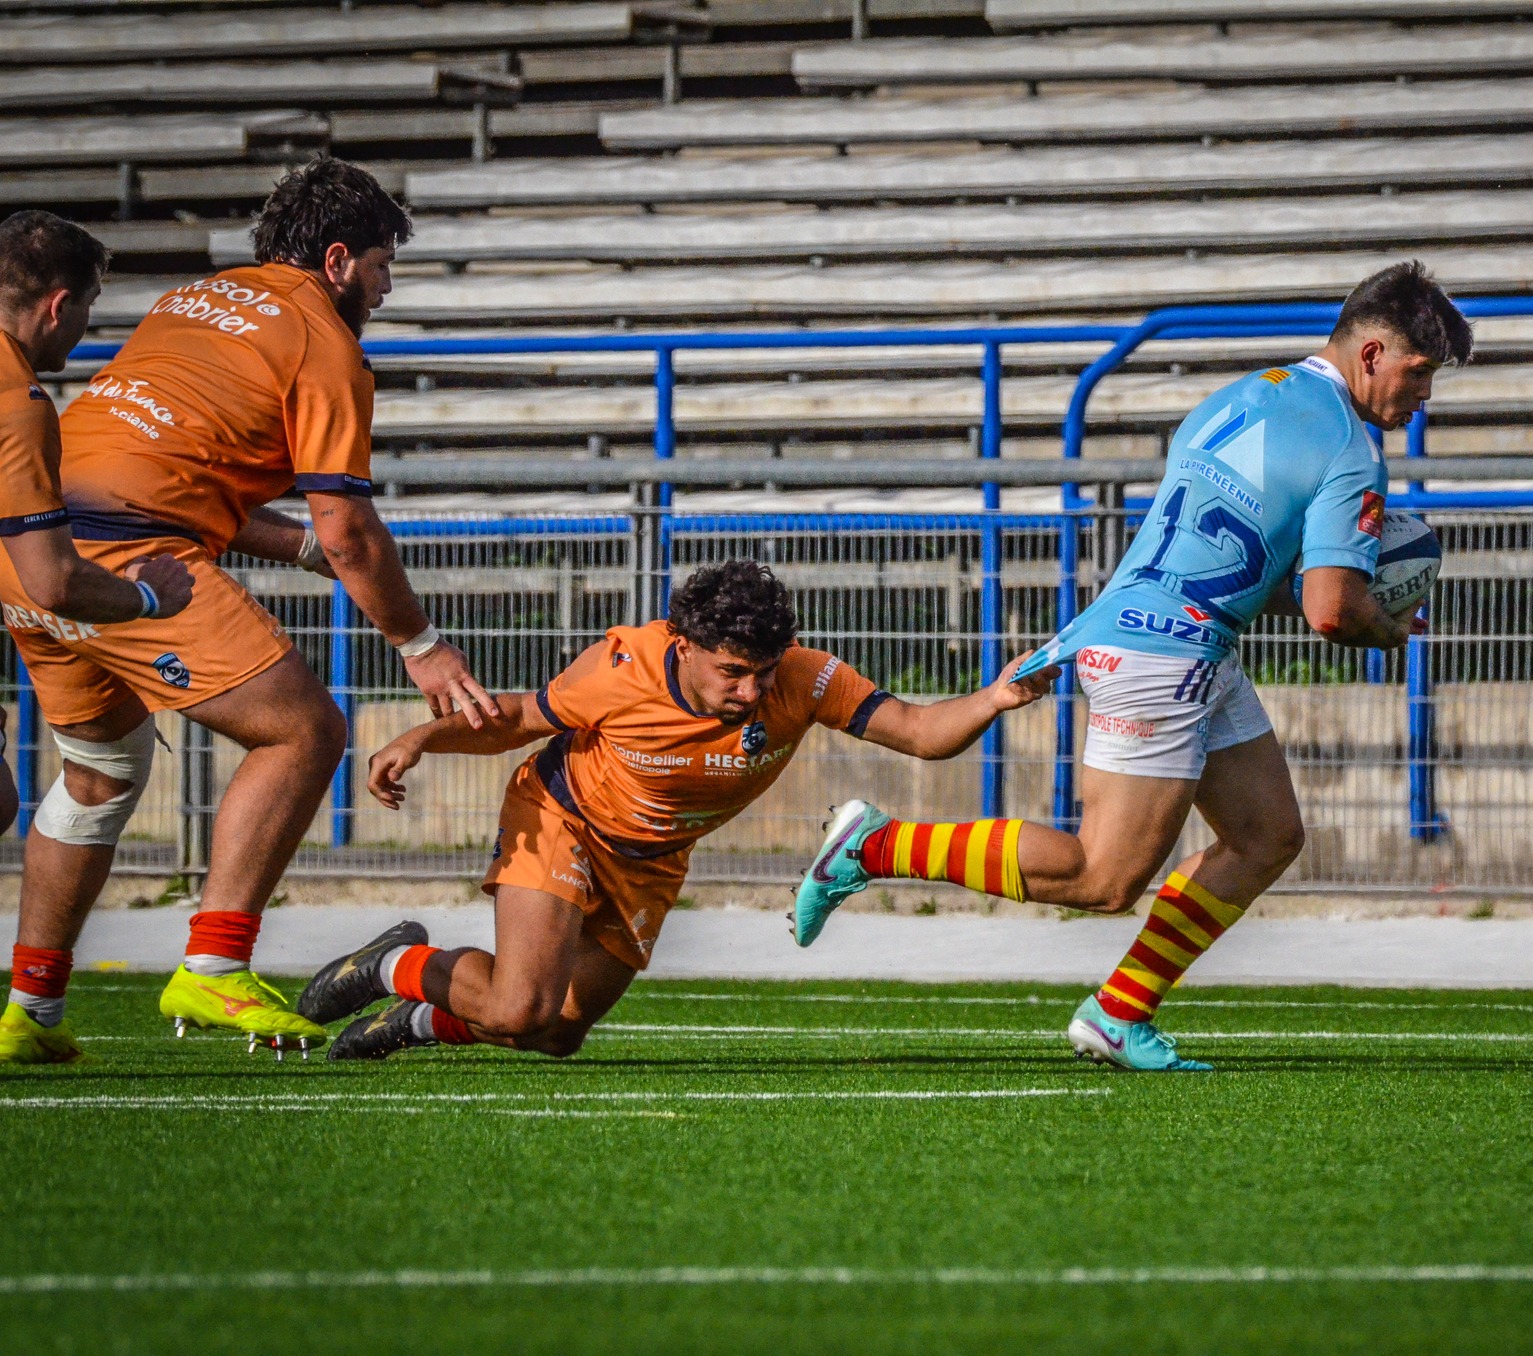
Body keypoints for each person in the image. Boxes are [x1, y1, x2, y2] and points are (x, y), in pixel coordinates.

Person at [793, 260, 1471, 1072]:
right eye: (1419, 372)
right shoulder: (1351, 448)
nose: (1422, 396)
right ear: (1370, 354)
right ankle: (873, 847)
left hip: (1167, 631)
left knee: (1266, 835)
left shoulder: (1247, 393)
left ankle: (1118, 1015)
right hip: (1170, 652)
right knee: (1102, 877)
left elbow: (1243, 562)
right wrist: (1384, 625)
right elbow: (1330, 608)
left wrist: (1342, 592)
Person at [0, 159, 496, 1061]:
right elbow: (346, 526)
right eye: (385, 266)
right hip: (131, 554)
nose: (386, 291)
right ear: (340, 260)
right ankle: (216, 969)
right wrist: (419, 644)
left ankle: (28, 1015)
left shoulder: (193, 300)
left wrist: (300, 549)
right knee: (304, 732)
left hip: (37, 552)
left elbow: (182, 470)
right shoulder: (325, 343)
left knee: (98, 777)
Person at [294, 560, 1054, 1060]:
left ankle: (415, 1018)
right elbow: (524, 718)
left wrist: (993, 697)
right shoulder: (621, 667)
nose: (751, 692)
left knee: (556, 1033)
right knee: (522, 1007)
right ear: (684, 644)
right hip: (564, 818)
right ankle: (388, 966)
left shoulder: (807, 677)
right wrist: (422, 736)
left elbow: (921, 734)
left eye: (762, 673)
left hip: (651, 863)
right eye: (732, 672)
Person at [0, 212, 198, 1064]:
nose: (85, 331)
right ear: (56, 306)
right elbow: (53, 580)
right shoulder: (18, 402)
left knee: (72, 779)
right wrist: (150, 596)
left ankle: (32, 1011)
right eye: (87, 309)